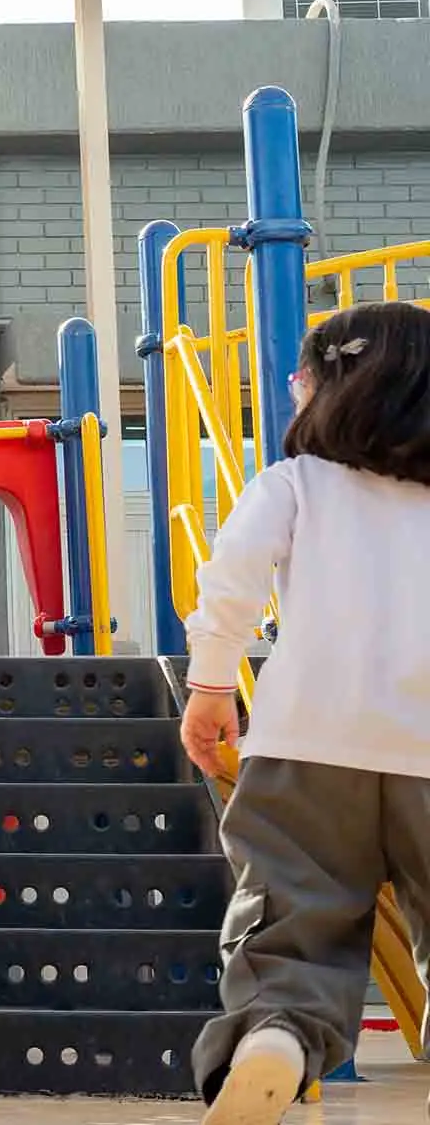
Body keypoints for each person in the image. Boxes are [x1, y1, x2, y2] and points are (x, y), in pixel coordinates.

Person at [179, 301, 430, 1124]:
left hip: (307, 749)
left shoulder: (293, 485)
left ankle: (273, 1037)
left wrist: (212, 686)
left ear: (327, 388)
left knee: (289, 925)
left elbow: (231, 583)